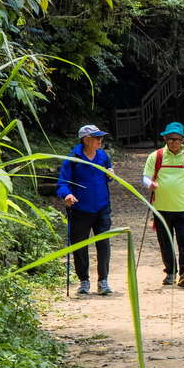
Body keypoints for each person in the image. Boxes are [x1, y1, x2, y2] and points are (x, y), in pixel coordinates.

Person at [55, 124, 114, 296]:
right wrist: (67, 195)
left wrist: (110, 174)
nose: (100, 140)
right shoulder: (73, 159)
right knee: (80, 245)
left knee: (103, 244)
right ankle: (84, 281)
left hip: (102, 207)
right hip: (80, 209)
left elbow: (108, 177)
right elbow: (62, 183)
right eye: (97, 138)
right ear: (86, 140)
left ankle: (103, 281)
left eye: (101, 137)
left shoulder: (103, 156)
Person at [144, 122, 184, 287]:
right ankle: (170, 272)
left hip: (183, 207)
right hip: (161, 207)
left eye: (176, 139)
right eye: (170, 139)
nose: (173, 142)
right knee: (165, 242)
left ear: (183, 140)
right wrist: (150, 184)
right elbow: (146, 176)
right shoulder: (156, 156)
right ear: (165, 139)